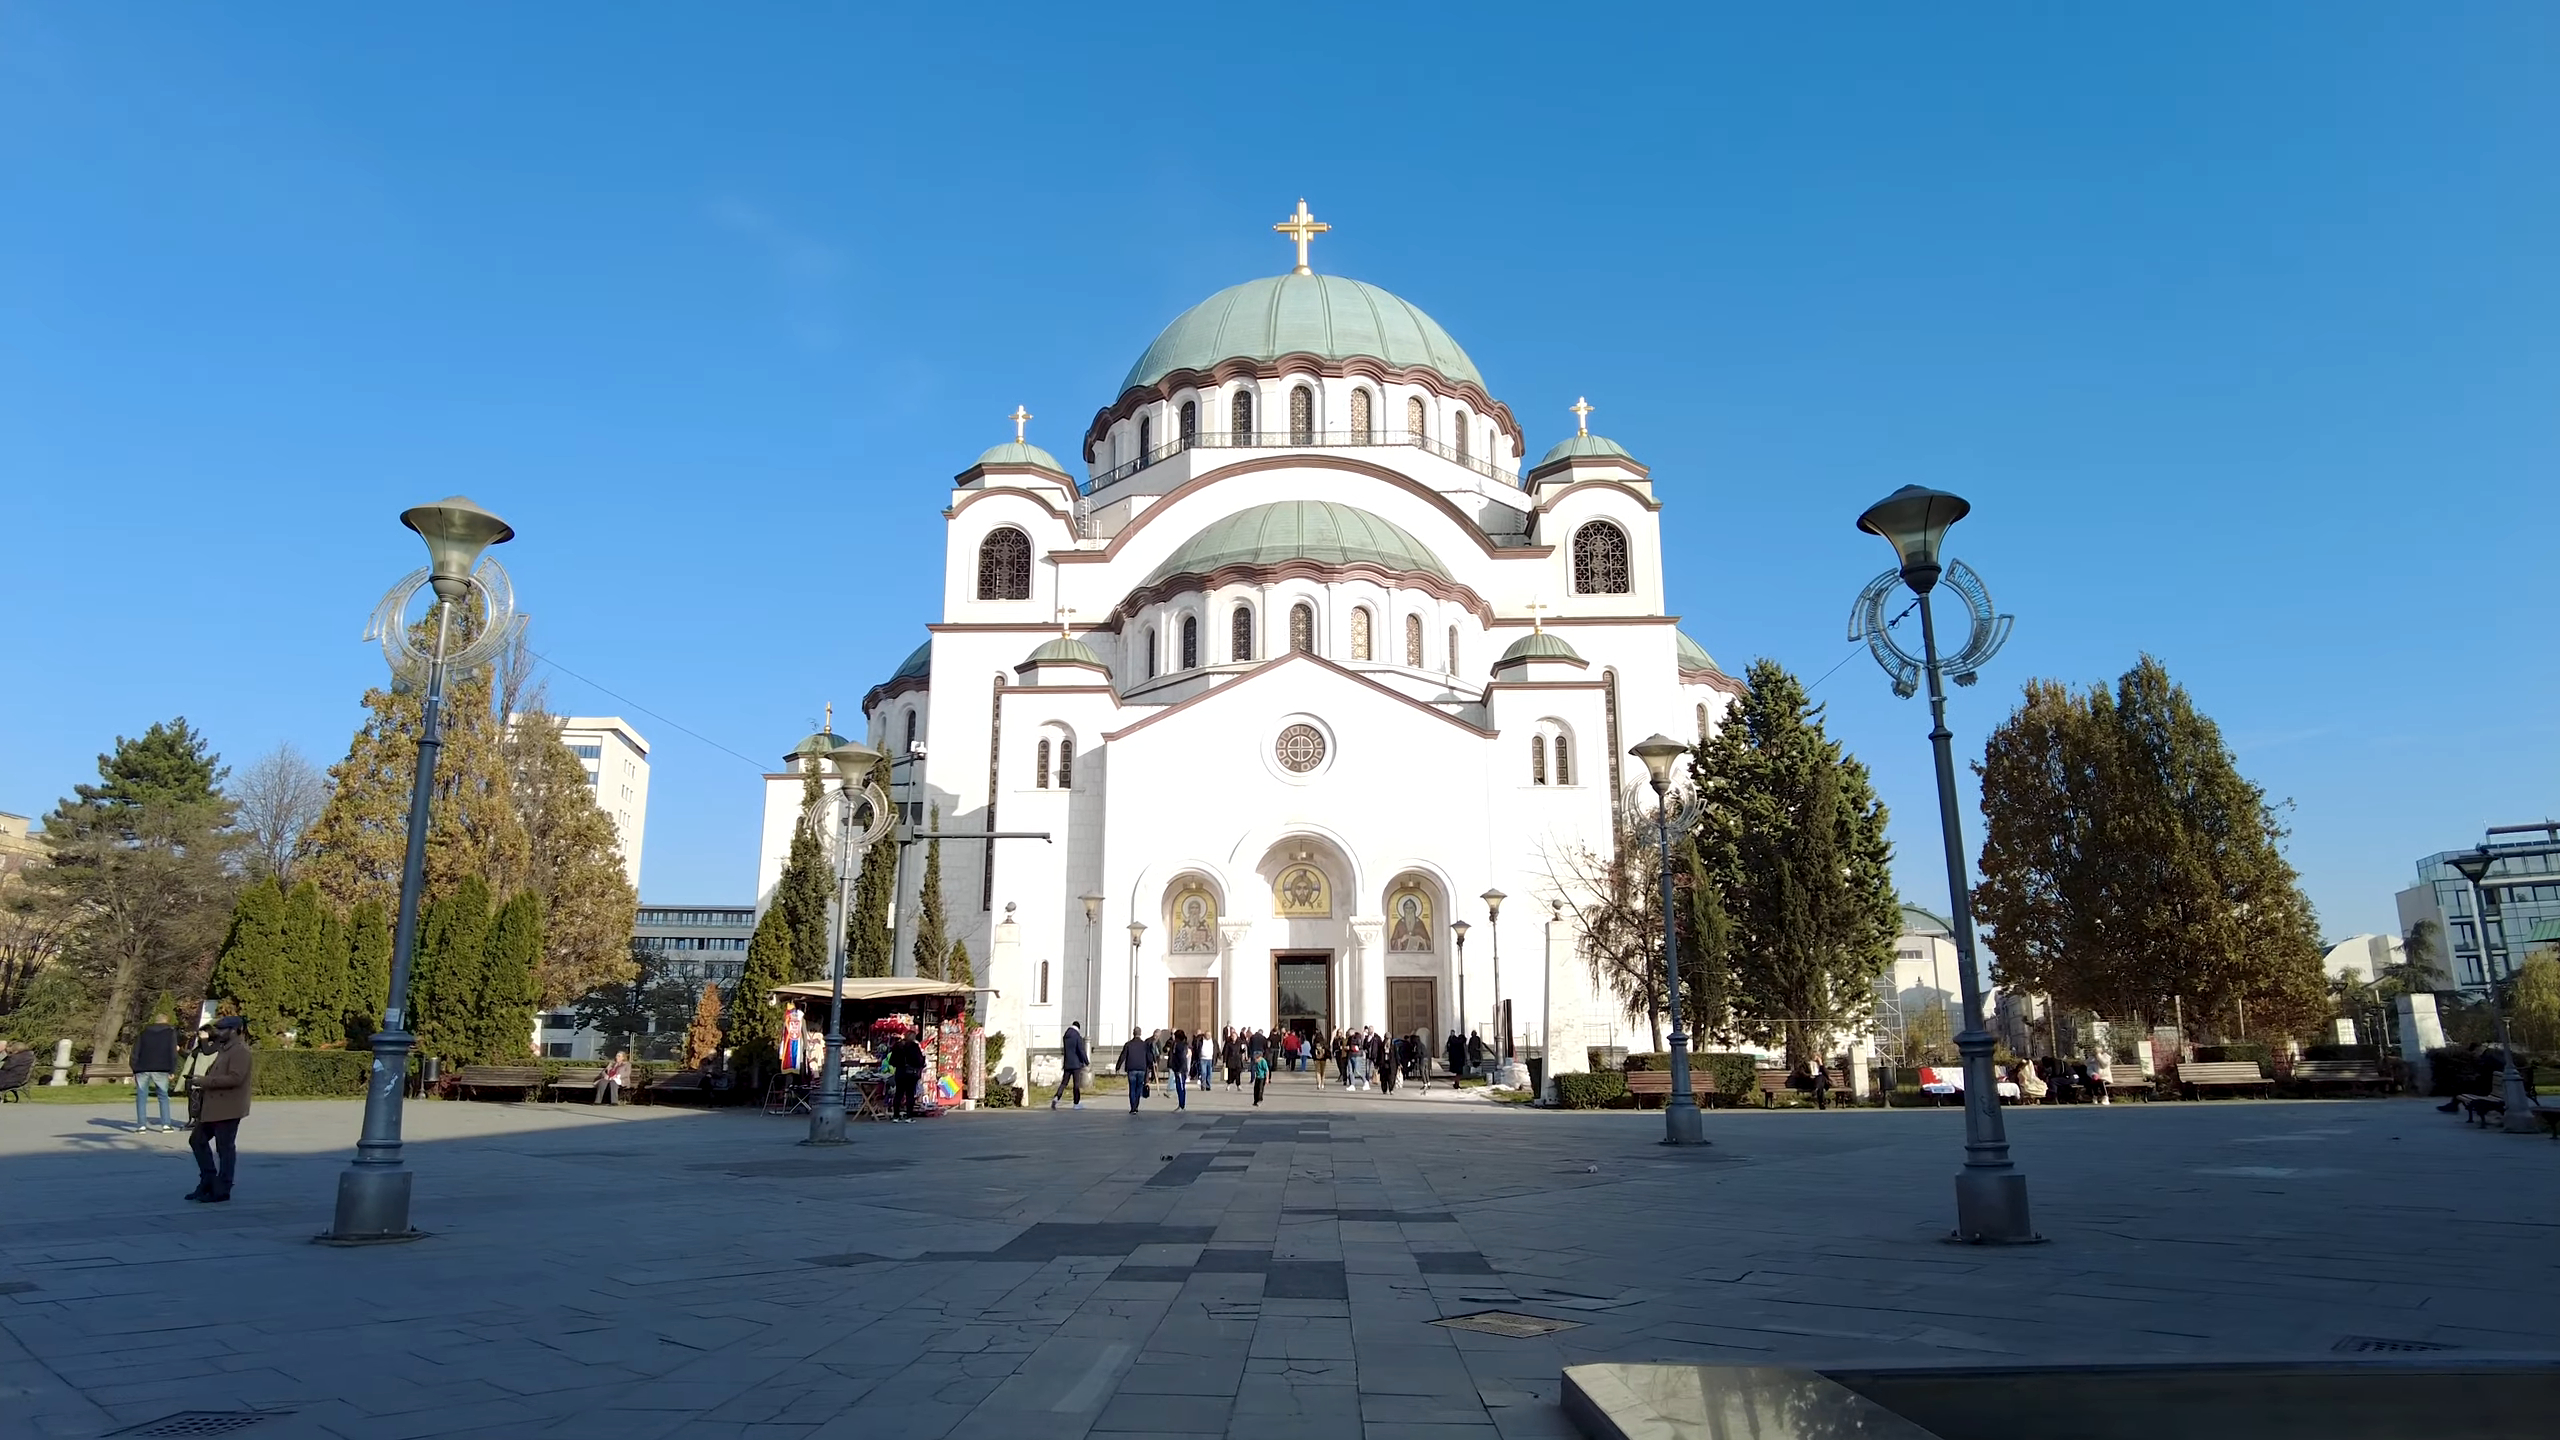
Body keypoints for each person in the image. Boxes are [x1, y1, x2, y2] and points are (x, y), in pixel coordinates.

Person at [186, 1016, 253, 1203]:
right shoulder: (225, 1049)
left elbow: (235, 1078)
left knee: (225, 1148)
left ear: (234, 1030)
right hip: (215, 1107)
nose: (218, 1033)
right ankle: (208, 1180)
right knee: (197, 1140)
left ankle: (222, 1189)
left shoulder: (240, 1051)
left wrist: (204, 1081)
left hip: (228, 1108)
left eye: (223, 1030)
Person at [131, 1010, 180, 1133]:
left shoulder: (144, 1033)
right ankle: (166, 1125)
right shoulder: (170, 1033)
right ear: (166, 1021)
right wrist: (172, 1069)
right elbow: (172, 1052)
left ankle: (141, 1126)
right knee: (163, 1096)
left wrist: (134, 1068)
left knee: (141, 1096)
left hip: (142, 1067)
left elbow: (135, 1051)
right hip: (162, 1068)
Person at [886, 1031, 928, 1121]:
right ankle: (909, 1116)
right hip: (911, 1074)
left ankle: (896, 1116)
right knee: (910, 1094)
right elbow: (919, 1060)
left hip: (900, 1073)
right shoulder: (914, 1047)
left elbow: (892, 1061)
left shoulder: (897, 1046)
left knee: (898, 1094)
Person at [1055, 1020, 1089, 1110]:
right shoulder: (1077, 1036)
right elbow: (1080, 1050)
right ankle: (1076, 1103)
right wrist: (1086, 1061)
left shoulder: (1065, 1036)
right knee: (1076, 1084)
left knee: (1064, 1083)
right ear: (1078, 1028)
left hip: (1067, 1063)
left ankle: (1056, 1098)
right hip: (1076, 1064)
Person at [1120, 1028, 1152, 1113]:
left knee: (1132, 1088)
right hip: (1142, 1068)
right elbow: (1149, 1056)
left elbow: (1123, 1056)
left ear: (1133, 1033)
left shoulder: (1128, 1044)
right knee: (1139, 1087)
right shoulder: (1145, 1045)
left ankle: (1133, 1107)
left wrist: (1118, 1066)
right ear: (1140, 1034)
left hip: (1131, 1068)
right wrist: (1151, 1065)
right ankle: (1136, 1105)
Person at [1169, 1030, 1191, 1112]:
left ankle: (1182, 1105)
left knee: (1181, 1087)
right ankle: (1180, 1104)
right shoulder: (1176, 1044)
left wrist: (1179, 1069)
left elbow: (1182, 1058)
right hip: (1177, 1068)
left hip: (1180, 1070)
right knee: (1179, 1087)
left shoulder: (1181, 1046)